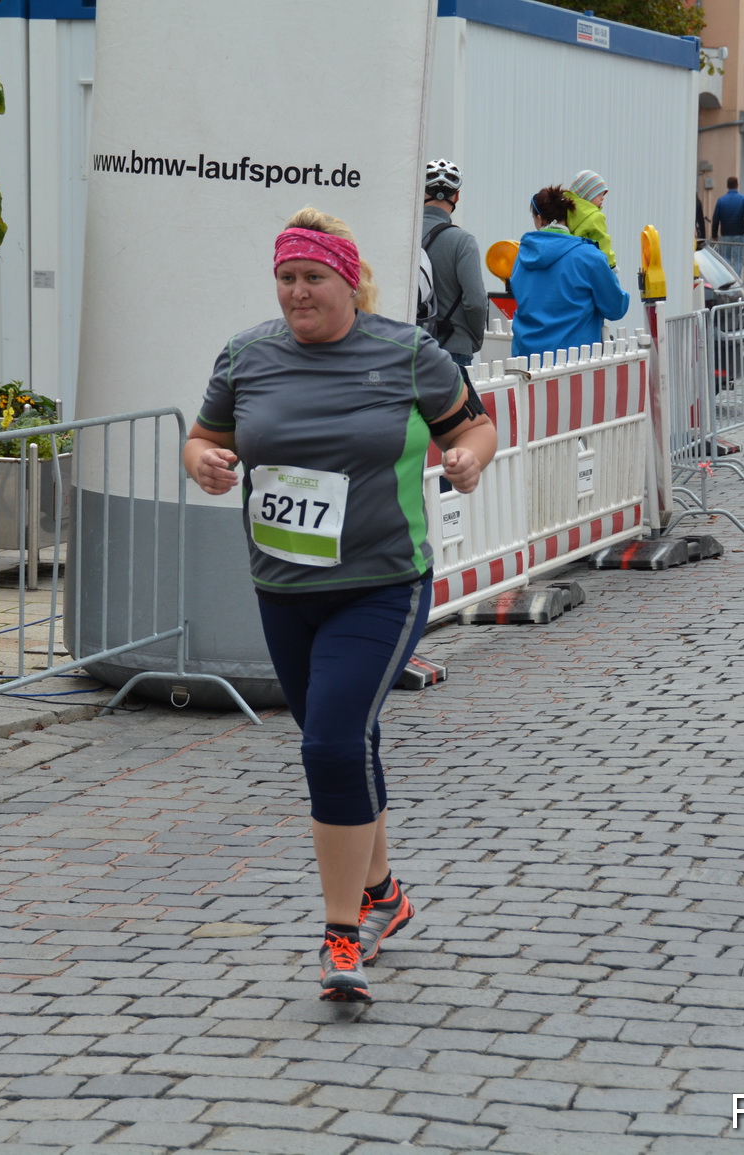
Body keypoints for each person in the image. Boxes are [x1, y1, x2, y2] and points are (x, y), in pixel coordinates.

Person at [185, 208, 496, 1003]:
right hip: (284, 586)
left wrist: (465, 458)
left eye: (312, 278)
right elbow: (202, 435)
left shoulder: (405, 351)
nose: (297, 292)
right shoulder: (248, 354)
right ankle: (386, 890)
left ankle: (341, 935)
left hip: (384, 580)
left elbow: (477, 425)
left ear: (350, 281)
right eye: (286, 278)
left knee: (329, 743)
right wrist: (206, 464)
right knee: (344, 738)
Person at [509, 186, 631, 360]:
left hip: (527, 360)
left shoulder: (522, 257)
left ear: (538, 218)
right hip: (574, 364)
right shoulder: (590, 257)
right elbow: (615, 308)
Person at [420, 160, 489, 369]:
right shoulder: (462, 241)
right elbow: (476, 301)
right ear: (456, 196)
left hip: (407, 345)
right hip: (453, 348)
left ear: (422, 193)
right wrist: (473, 339)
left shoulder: (403, 235)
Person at [565, 170, 615, 270]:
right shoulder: (595, 217)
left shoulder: (564, 210)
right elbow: (603, 242)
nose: (602, 198)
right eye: (599, 194)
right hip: (588, 266)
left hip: (568, 263)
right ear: (587, 194)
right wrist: (611, 266)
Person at [710, 177, 744, 274]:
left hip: (725, 233)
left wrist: (714, 234)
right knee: (738, 258)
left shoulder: (721, 200)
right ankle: (736, 281)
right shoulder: (743, 199)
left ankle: (727, 279)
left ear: (727, 186)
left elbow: (716, 218)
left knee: (725, 257)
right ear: (737, 185)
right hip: (739, 233)